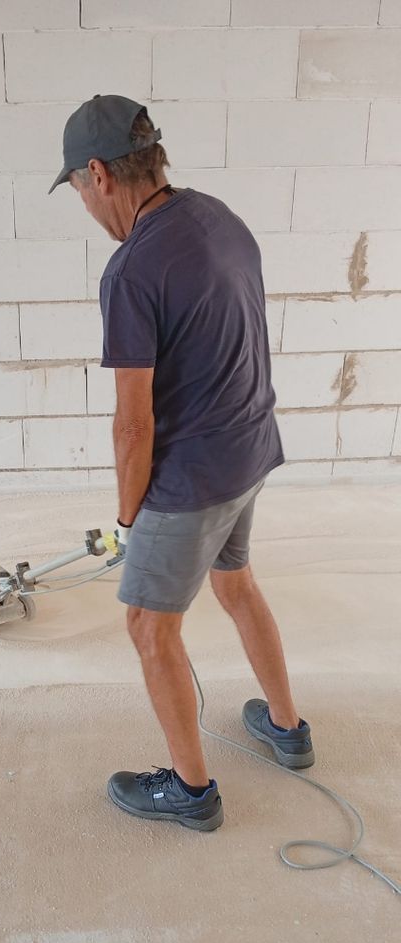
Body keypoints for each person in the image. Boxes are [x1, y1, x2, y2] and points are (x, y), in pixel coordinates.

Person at [49, 94, 314, 833]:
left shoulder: (131, 270)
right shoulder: (217, 216)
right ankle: (288, 729)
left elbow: (133, 426)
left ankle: (192, 793)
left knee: (146, 625)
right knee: (237, 585)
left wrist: (130, 518)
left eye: (75, 187)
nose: (83, 202)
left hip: (193, 476)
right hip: (250, 448)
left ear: (98, 174)